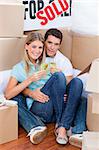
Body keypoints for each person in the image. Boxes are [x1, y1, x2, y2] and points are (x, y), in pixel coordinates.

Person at [19, 29, 84, 145]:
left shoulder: (64, 62)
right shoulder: (35, 54)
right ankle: (62, 124)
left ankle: (66, 128)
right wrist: (31, 92)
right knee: (59, 76)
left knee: (78, 85)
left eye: (56, 44)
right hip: (41, 106)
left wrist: (64, 90)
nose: (52, 47)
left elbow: (70, 90)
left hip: (56, 107)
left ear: (60, 45)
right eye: (49, 43)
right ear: (44, 42)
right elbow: (20, 86)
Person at [4, 32, 69, 144]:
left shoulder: (48, 63)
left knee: (81, 98)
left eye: (40, 47)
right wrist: (29, 80)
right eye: (34, 46)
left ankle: (75, 130)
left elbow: (58, 83)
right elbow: (7, 95)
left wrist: (61, 89)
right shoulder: (18, 68)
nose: (37, 51)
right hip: (39, 108)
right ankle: (53, 124)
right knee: (15, 99)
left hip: (53, 108)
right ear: (26, 46)